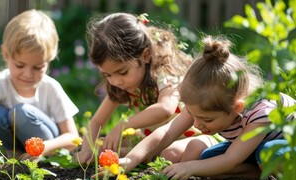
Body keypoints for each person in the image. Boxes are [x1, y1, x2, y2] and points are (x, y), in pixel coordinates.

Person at [120, 35, 296, 180]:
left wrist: (189, 167)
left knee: (268, 154)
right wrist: (131, 159)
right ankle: (256, 173)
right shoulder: (207, 105)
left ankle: (270, 177)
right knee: (207, 160)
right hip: (251, 146)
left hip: (289, 144)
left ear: (237, 107)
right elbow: (167, 132)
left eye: (207, 120)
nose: (196, 124)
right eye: (193, 115)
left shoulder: (261, 113)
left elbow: (231, 159)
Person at [77, 12, 216, 164]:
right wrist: (86, 150)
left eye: (122, 72)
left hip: (191, 138)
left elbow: (164, 110)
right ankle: (136, 156)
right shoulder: (123, 84)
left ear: (146, 55)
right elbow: (97, 121)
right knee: (102, 145)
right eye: (107, 75)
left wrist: (123, 125)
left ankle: (136, 157)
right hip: (149, 140)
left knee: (169, 154)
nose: (116, 81)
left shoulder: (165, 73)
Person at [0, 9, 79, 176]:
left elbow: (72, 137)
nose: (28, 74)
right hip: (19, 148)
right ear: (5, 54)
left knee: (20, 113)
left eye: (38, 67)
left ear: (49, 60)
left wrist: (44, 148)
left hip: (46, 146)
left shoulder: (50, 88)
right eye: (20, 65)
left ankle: (38, 162)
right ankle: (15, 158)